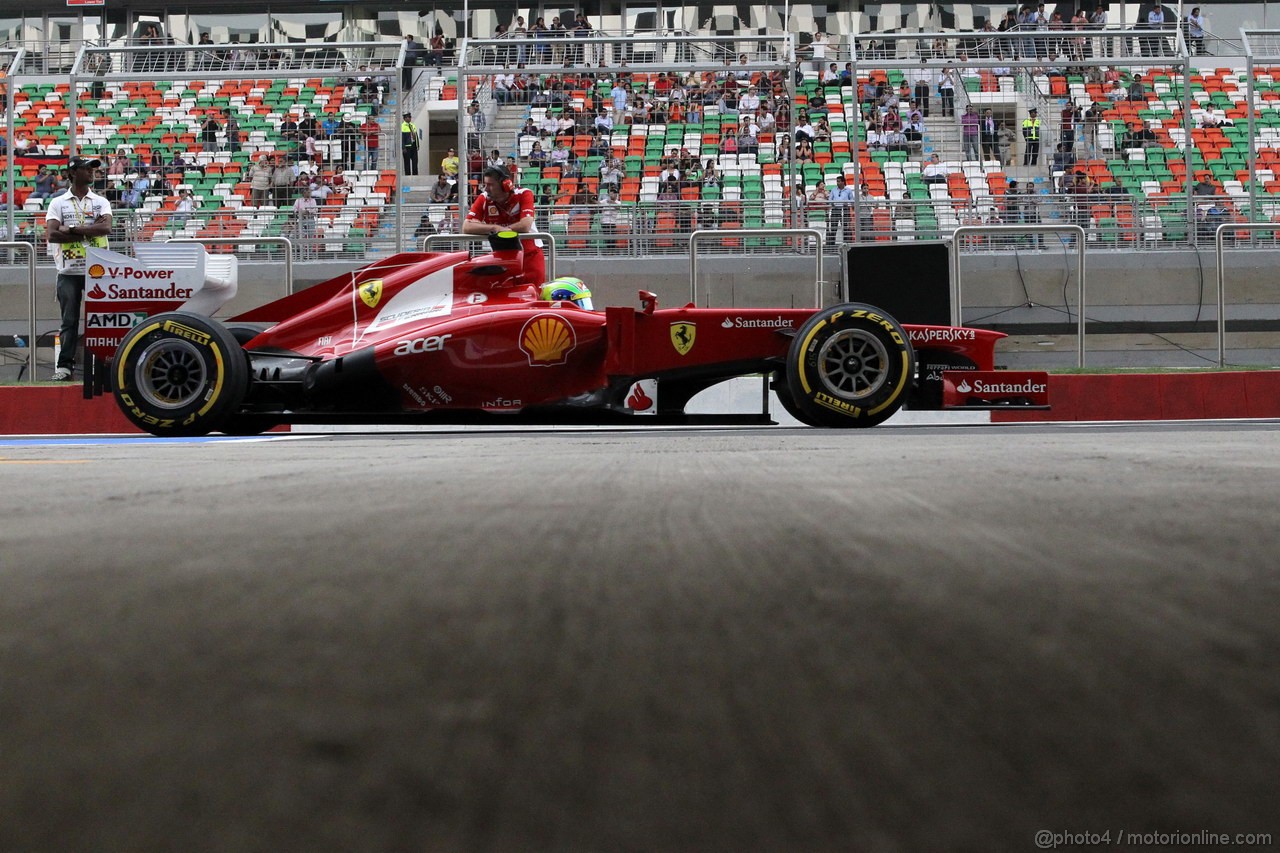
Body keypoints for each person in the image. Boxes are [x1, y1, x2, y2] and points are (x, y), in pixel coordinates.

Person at [45, 156, 112, 381]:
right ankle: (64, 367)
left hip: (97, 271)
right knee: (69, 321)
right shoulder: (58, 202)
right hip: (68, 271)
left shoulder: (100, 201)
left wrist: (71, 228)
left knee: (99, 321)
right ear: (72, 173)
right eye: (86, 168)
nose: (92, 172)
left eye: (93, 169)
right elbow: (52, 234)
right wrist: (88, 229)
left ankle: (100, 366)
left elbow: (106, 229)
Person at [462, 165, 544, 285]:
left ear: (506, 184)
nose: (486, 189)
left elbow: (525, 225)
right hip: (501, 259)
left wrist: (501, 230)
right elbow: (467, 227)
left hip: (529, 257)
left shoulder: (524, 194)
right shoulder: (484, 198)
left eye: (490, 185)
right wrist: (495, 228)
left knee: (534, 297)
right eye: (485, 184)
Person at [827, 174, 854, 245]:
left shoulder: (848, 190)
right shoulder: (833, 189)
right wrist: (832, 204)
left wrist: (847, 204)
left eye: (838, 181)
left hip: (845, 209)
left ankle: (846, 243)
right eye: (837, 181)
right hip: (835, 209)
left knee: (845, 227)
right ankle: (832, 244)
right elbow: (830, 199)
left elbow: (852, 200)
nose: (837, 183)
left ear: (843, 182)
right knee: (833, 227)